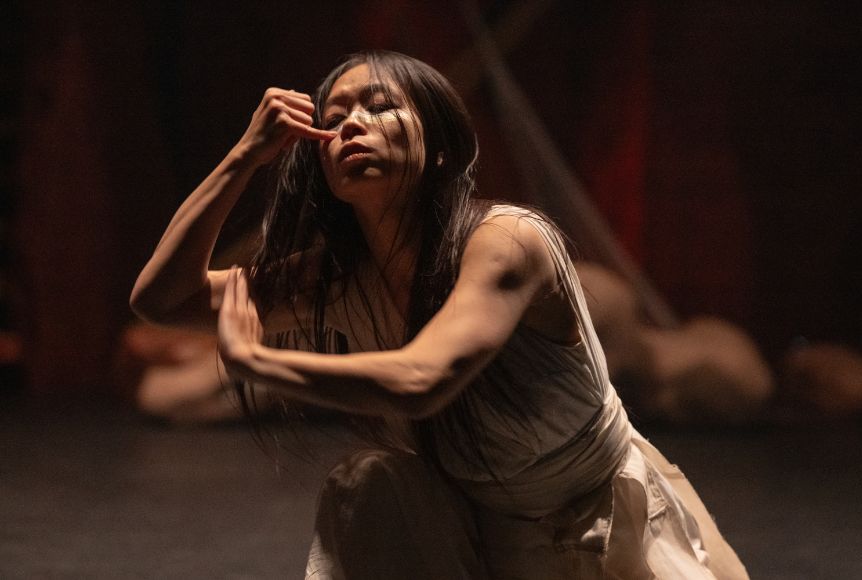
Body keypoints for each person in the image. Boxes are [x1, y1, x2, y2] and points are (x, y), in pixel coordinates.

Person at [131, 50, 748, 579]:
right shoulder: (334, 278)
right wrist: (245, 156)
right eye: (335, 119)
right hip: (487, 533)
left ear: (442, 149)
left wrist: (258, 361)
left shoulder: (507, 240)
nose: (351, 126)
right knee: (371, 485)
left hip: (608, 522)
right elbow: (164, 300)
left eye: (378, 107)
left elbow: (423, 379)